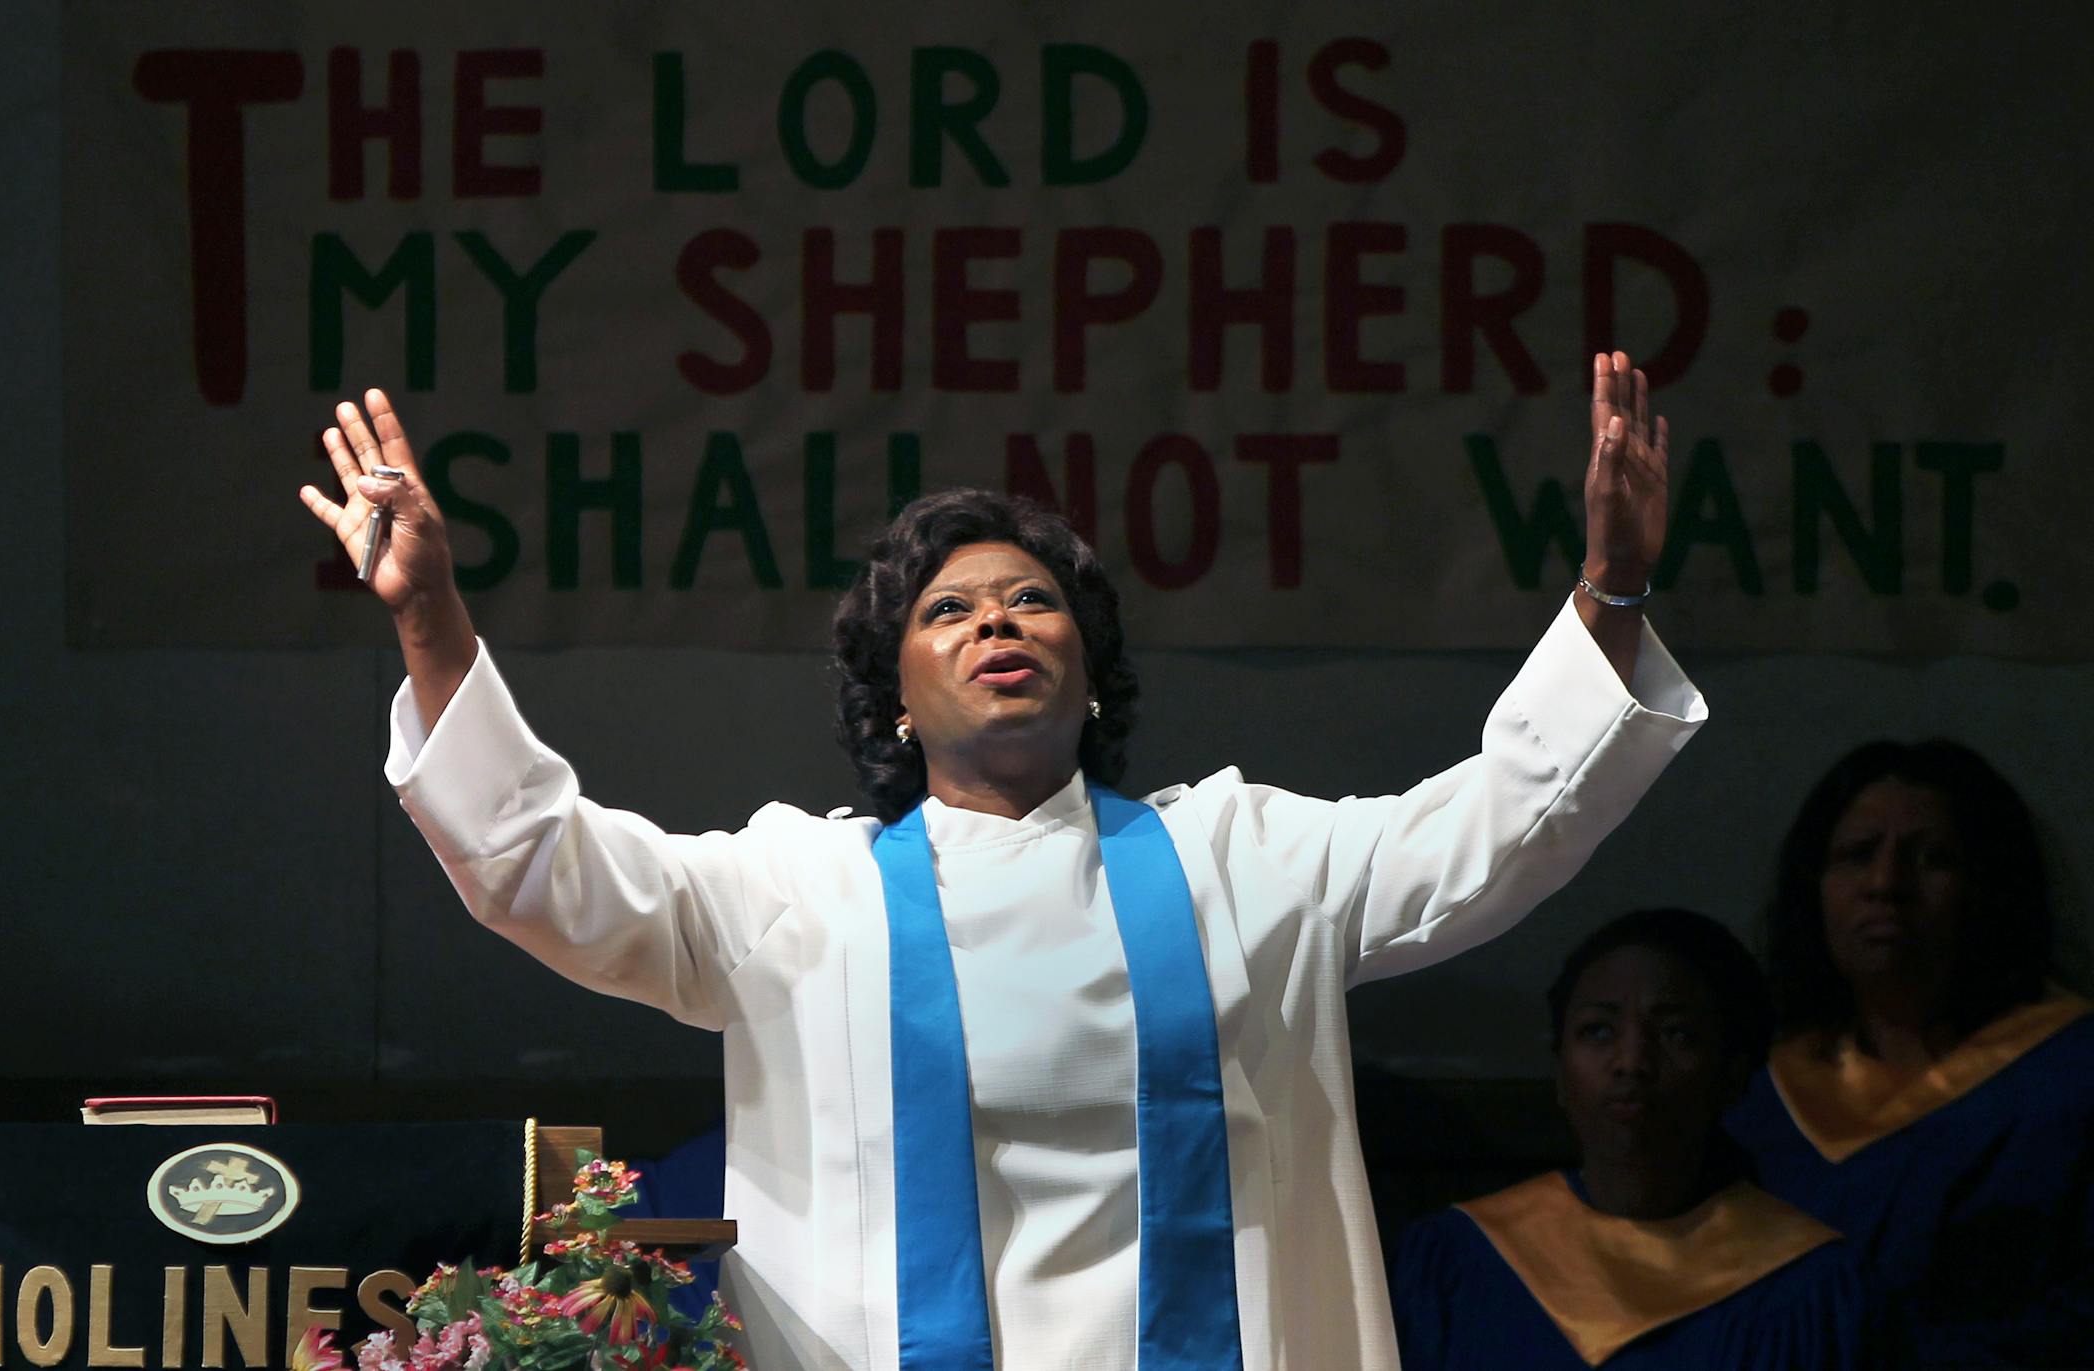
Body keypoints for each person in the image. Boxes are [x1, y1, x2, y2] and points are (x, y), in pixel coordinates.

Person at [296, 353, 1706, 1371]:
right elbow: (537, 863)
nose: (999, 622)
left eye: (1035, 600)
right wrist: (433, 624)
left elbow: (1503, 822)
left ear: (1090, 674)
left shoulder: (1245, 859)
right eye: (951, 609)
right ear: (895, 697)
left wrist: (1611, 591)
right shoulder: (802, 893)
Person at [1723, 740, 2094, 1367]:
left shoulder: (2070, 1075)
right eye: (1856, 856)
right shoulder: (1756, 1096)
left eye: (1933, 859)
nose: (1886, 885)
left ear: (1989, 888)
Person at [1391, 908, 1881, 1369]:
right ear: (1559, 1071)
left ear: (1732, 1076)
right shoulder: (1459, 1260)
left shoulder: (1810, 1288)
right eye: (1598, 1031)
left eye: (1676, 1035)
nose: (1631, 1061)